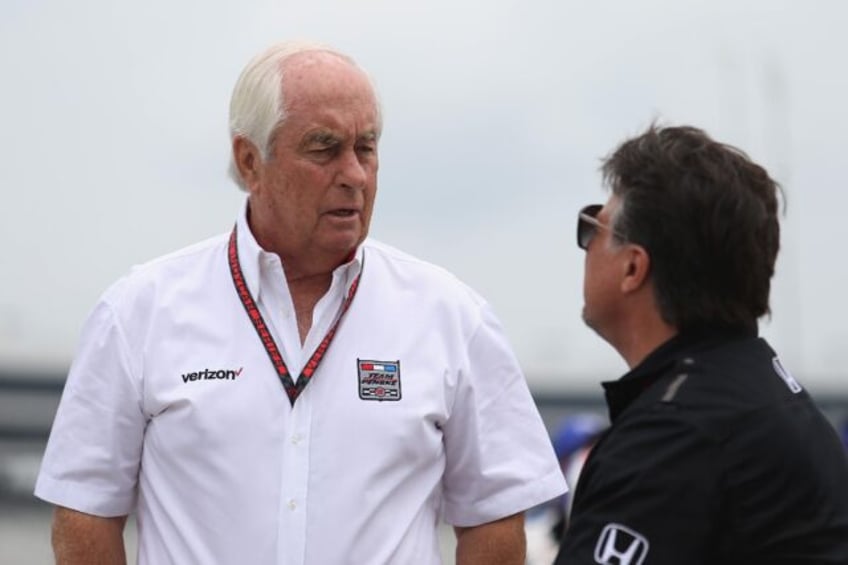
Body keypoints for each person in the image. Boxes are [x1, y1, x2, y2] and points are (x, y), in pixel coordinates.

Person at [34, 41, 567, 565]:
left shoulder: (453, 316)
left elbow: (495, 517)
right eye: (324, 148)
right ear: (250, 161)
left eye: (366, 147)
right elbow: (83, 514)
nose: (354, 175)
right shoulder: (138, 312)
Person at [555, 124, 848, 564]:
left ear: (633, 268)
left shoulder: (673, 438)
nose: (586, 246)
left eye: (592, 227)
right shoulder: (768, 396)